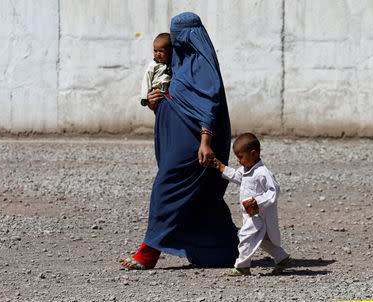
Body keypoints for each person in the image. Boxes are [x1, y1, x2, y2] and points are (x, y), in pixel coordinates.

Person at [119, 12, 238, 269]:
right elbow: (177, 103)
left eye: (178, 35)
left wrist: (205, 142)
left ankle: (148, 253)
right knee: (202, 199)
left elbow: (210, 103)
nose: (175, 40)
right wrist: (154, 104)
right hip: (179, 144)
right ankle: (222, 251)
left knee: (166, 189)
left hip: (195, 147)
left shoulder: (201, 66)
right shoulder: (179, 65)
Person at [210, 133, 292, 276]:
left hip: (257, 214)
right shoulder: (246, 170)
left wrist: (257, 202)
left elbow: (274, 191)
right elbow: (237, 176)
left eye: (240, 156)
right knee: (262, 240)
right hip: (249, 214)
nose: (238, 160)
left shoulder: (262, 173)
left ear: (253, 154)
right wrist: (222, 167)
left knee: (245, 236)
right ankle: (282, 258)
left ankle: (242, 266)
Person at [140, 33, 172, 110]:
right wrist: (144, 98)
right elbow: (146, 80)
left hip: (168, 94)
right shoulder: (153, 65)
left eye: (161, 51)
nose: (158, 54)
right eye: (155, 51)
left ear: (170, 51)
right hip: (156, 94)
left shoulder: (172, 63)